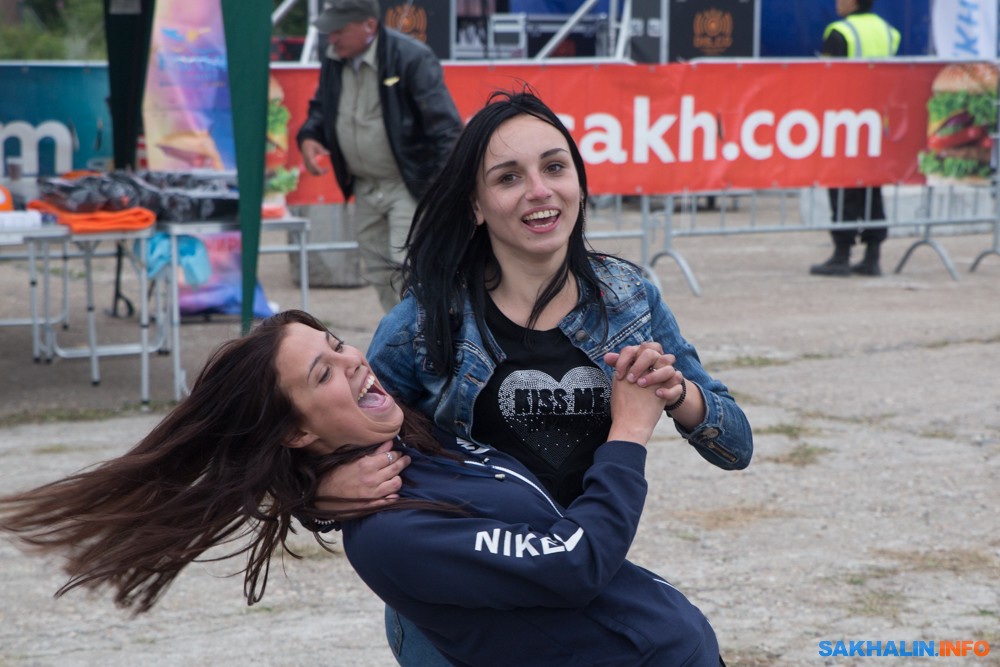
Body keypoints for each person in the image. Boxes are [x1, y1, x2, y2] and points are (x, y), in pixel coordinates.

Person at [0, 310, 726, 666]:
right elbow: (575, 562)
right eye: (323, 373)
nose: (352, 361)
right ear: (298, 430)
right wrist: (629, 430)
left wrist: (308, 494)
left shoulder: (404, 439)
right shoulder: (388, 525)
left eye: (337, 344)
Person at [319, 90, 753, 664]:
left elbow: (737, 447)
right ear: (476, 206)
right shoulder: (423, 324)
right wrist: (321, 492)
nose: (539, 190)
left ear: (579, 183)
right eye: (508, 177)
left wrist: (679, 394)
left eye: (554, 167)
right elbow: (324, 439)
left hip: (582, 583)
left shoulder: (629, 298)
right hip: (460, 620)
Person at [296, 0, 462, 312]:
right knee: (378, 271)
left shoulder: (412, 57)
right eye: (330, 30)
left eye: (339, 30)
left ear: (369, 25)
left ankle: (427, 334)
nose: (332, 38)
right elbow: (321, 108)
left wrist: (440, 192)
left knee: (408, 270)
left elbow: (446, 129)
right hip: (364, 186)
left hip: (408, 185)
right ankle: (401, 333)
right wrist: (308, 136)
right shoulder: (334, 58)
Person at [810, 0, 900, 277]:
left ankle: (842, 253)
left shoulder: (840, 32)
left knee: (842, 186)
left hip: (845, 121)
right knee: (872, 187)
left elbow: (826, 79)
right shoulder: (889, 32)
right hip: (877, 122)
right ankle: (873, 256)